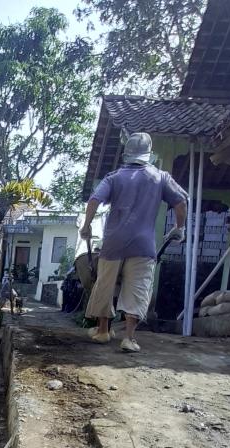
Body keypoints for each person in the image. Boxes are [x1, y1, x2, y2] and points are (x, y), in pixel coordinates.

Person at [80, 132, 187, 352]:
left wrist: (87, 226)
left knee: (105, 284)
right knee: (138, 288)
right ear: (149, 154)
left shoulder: (114, 177)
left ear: (126, 153)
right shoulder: (160, 177)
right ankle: (129, 338)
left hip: (113, 242)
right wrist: (179, 228)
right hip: (143, 245)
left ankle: (103, 331)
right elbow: (181, 202)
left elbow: (94, 200)